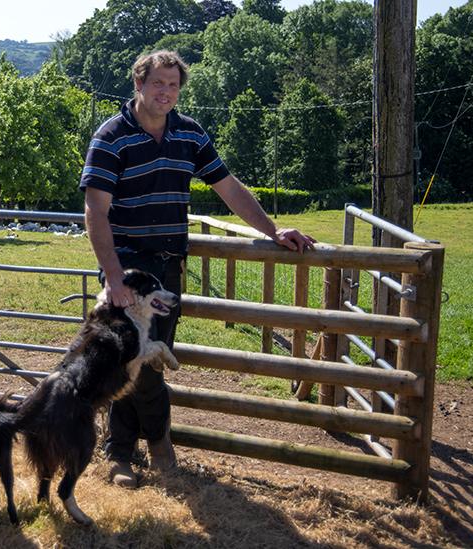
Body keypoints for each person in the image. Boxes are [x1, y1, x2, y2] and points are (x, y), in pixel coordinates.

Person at [80, 50, 315, 489]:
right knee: (130, 357)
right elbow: (96, 210)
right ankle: (151, 445)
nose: (166, 92)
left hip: (169, 268)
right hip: (128, 269)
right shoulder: (111, 136)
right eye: (158, 84)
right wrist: (113, 278)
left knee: (146, 363)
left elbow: (228, 188)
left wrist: (273, 230)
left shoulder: (190, 134)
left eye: (173, 85)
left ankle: (123, 451)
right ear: (139, 84)